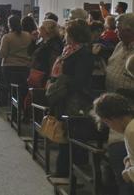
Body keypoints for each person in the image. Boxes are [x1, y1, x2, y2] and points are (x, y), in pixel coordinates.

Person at [47, 19, 94, 177]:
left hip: (74, 98)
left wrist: (62, 83)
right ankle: (66, 169)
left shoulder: (84, 54)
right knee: (64, 132)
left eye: (66, 32)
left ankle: (63, 171)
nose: (64, 35)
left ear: (73, 35)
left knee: (69, 134)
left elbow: (80, 79)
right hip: (64, 95)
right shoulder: (69, 50)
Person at [93, 93, 134, 194]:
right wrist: (128, 160)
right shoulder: (130, 127)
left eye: (106, 123)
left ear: (110, 120)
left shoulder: (131, 132)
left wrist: (128, 173)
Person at [0, 15, 33, 99]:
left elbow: (2, 54)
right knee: (22, 89)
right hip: (24, 66)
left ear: (9, 25)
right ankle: (22, 107)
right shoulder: (28, 35)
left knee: (12, 89)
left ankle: (13, 107)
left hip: (9, 66)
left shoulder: (7, 37)